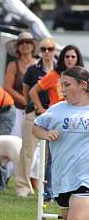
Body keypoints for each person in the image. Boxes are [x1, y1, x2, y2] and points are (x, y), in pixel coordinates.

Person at [32, 66, 89, 220]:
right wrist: (45, 135)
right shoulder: (56, 110)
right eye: (61, 85)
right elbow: (36, 126)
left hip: (85, 178)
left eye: (67, 85)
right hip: (61, 180)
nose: (62, 89)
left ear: (83, 85)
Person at [29, 44, 84, 200]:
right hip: (57, 119)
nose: (70, 59)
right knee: (52, 159)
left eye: (73, 56)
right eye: (67, 56)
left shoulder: (83, 76)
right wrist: (41, 110)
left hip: (78, 122)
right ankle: (50, 191)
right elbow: (33, 91)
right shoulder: (54, 75)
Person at [14, 38, 57, 198]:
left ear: (54, 51)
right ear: (40, 51)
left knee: (48, 155)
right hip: (35, 114)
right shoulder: (33, 70)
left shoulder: (59, 71)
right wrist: (35, 107)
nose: (47, 52)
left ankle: (44, 187)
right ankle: (22, 186)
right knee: (27, 151)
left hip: (53, 117)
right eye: (44, 49)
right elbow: (27, 91)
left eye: (50, 49)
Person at [4, 31, 38, 138]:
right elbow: (8, 87)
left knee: (35, 143)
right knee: (16, 140)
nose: (25, 45)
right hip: (17, 110)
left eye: (28, 42)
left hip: (36, 110)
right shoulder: (13, 65)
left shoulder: (39, 64)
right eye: (21, 43)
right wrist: (24, 100)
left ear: (33, 46)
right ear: (17, 47)